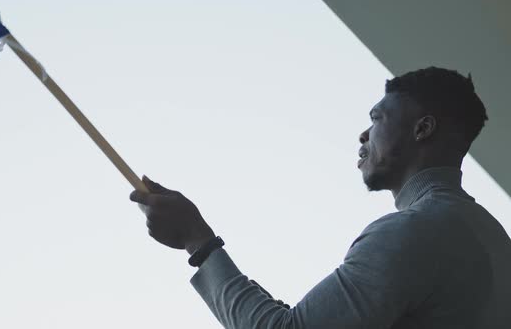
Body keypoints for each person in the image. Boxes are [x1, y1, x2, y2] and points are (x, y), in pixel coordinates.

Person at [129, 67, 511, 328]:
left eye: (377, 119)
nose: (364, 135)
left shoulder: (414, 232)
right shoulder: (495, 241)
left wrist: (196, 239)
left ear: (422, 129)